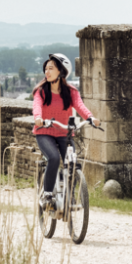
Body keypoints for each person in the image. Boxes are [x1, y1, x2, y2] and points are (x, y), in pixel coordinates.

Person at [33, 53, 100, 209]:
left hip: (64, 133)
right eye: (46, 69)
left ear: (61, 72)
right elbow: (37, 105)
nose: (47, 72)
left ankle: (69, 198)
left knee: (72, 164)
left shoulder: (70, 91)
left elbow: (80, 106)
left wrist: (90, 117)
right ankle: (47, 195)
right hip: (44, 132)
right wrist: (38, 117)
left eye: (51, 68)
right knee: (54, 158)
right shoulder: (41, 90)